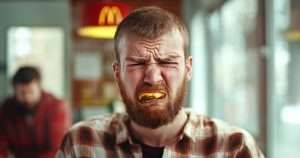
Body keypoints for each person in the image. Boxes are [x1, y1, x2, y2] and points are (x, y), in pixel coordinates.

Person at [57, 6, 264, 158]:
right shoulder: (82, 142)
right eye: (137, 63)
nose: (153, 77)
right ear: (117, 73)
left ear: (188, 68)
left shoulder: (234, 147)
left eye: (166, 62)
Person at [0, 66, 72, 158]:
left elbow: (57, 147)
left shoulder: (57, 107)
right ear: (14, 91)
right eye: (22, 93)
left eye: (31, 92)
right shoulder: (7, 109)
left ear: (39, 88)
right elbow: (1, 144)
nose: (27, 98)